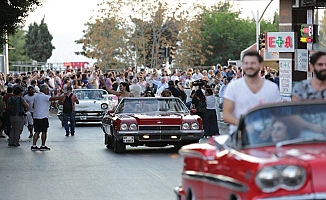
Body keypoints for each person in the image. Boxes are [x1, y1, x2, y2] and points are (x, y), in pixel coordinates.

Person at [223, 51, 281, 134]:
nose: (249, 66)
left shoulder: (272, 88)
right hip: (240, 136)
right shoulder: (233, 87)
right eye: (246, 63)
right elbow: (226, 115)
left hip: (266, 136)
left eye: (253, 63)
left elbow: (277, 113)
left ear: (260, 65)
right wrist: (244, 125)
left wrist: (269, 130)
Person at [31, 84, 62, 151]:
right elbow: (53, 98)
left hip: (36, 116)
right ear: (44, 90)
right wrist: (62, 97)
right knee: (44, 131)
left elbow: (33, 105)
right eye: (48, 89)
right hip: (43, 116)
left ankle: (34, 145)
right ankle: (43, 145)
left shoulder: (36, 96)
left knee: (37, 131)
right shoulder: (45, 96)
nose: (48, 91)